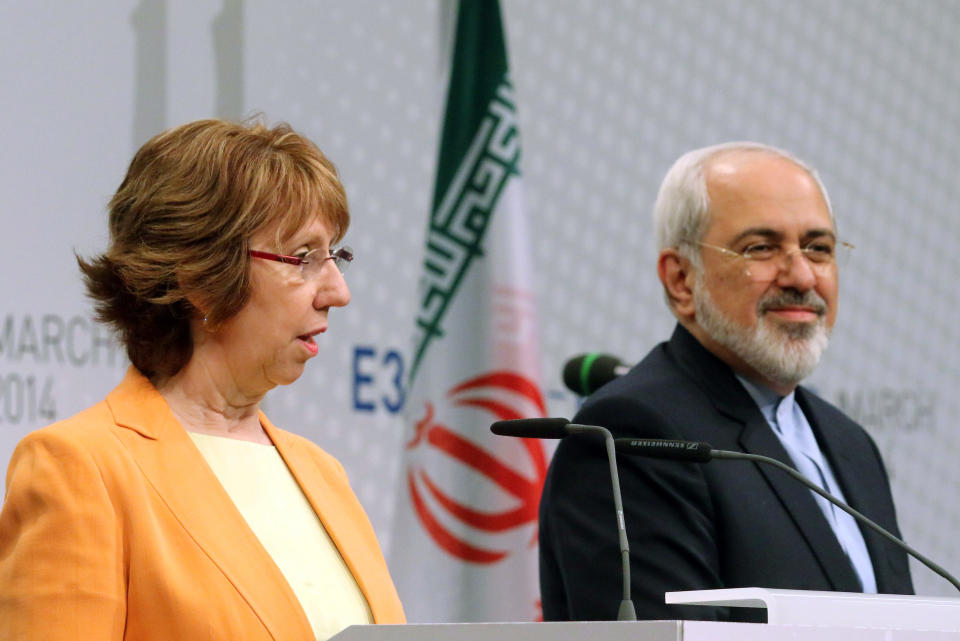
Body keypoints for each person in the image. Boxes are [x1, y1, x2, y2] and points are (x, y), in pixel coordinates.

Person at [0, 118, 404, 640]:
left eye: (336, 256)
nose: (337, 291)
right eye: (304, 258)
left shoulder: (323, 474)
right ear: (200, 277)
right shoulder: (81, 469)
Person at [538, 142, 914, 622]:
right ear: (681, 279)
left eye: (818, 248)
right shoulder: (635, 435)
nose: (801, 275)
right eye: (761, 247)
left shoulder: (850, 443)